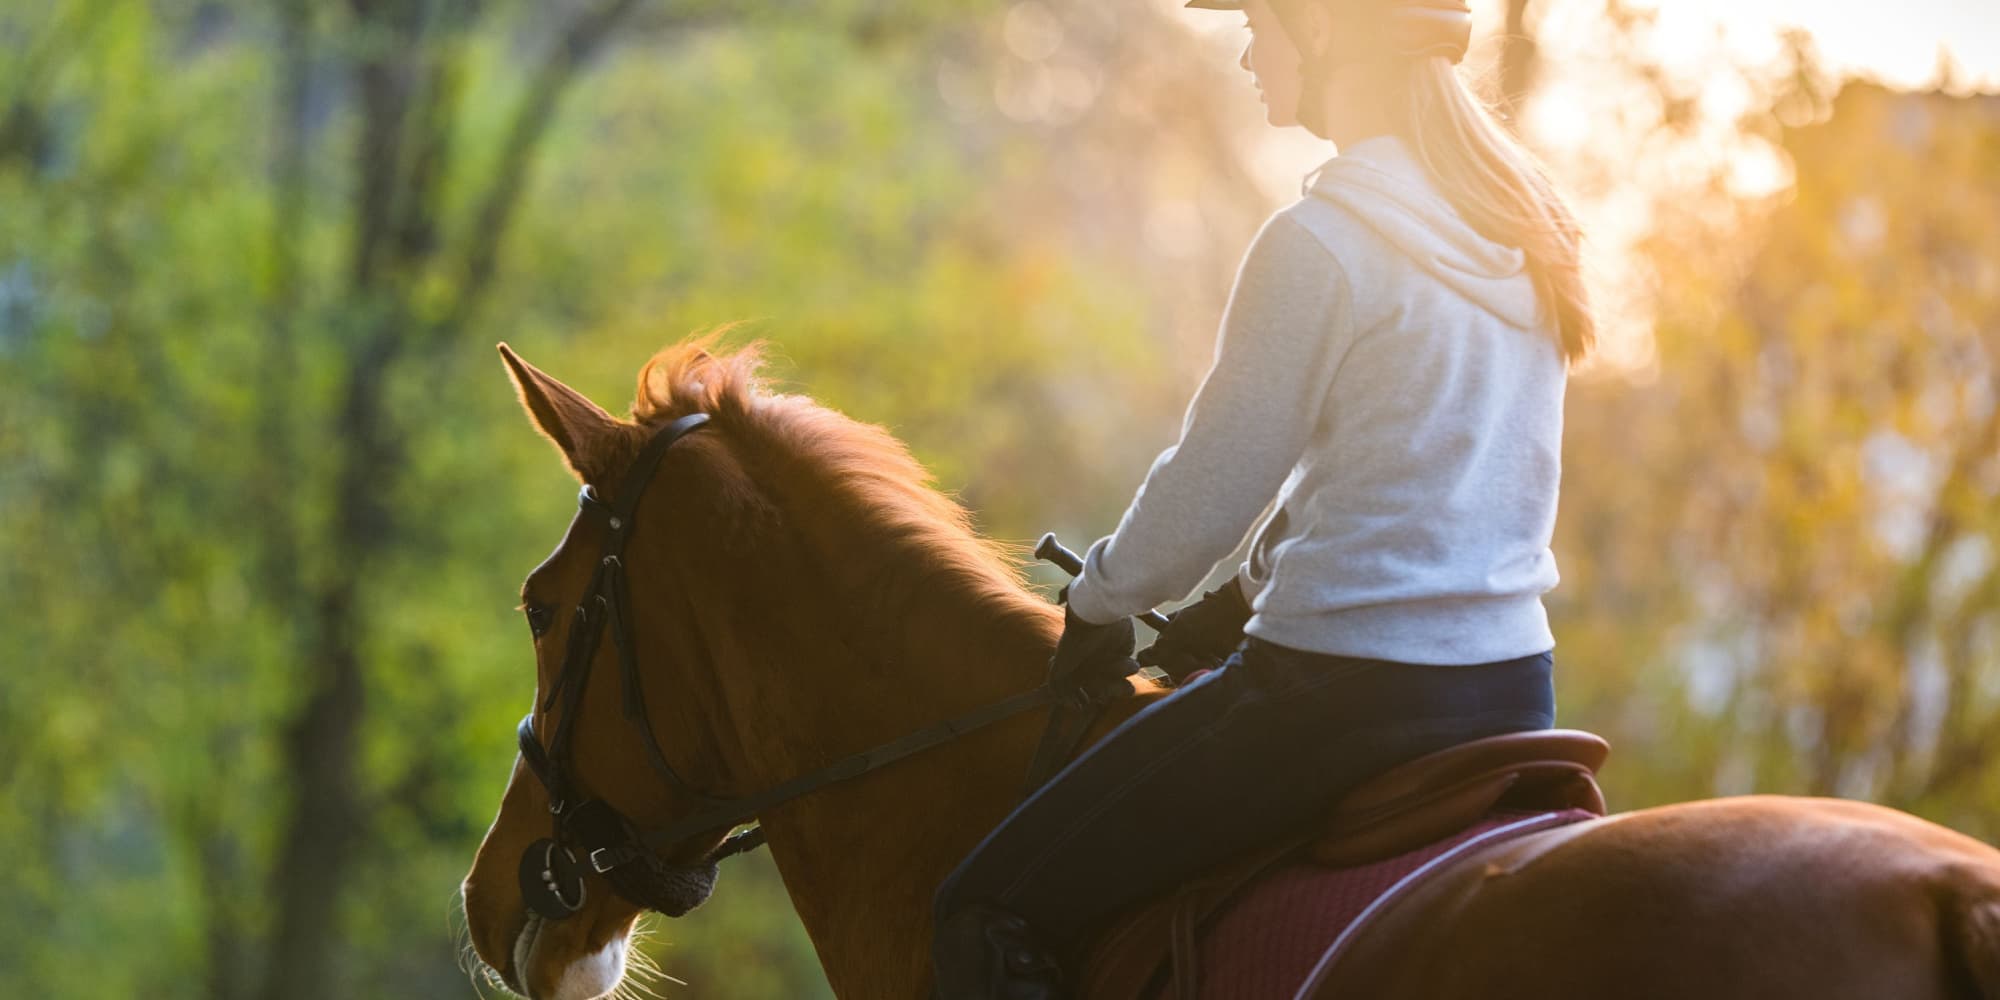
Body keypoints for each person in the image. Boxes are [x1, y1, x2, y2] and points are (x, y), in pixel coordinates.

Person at [930, 0, 1595, 994]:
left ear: (1325, 30)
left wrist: (1098, 599)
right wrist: (1234, 604)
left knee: (984, 908)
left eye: (1258, 19)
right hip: (1510, 684)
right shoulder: (1518, 232)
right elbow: (1392, 474)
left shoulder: (1320, 241)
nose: (1246, 48)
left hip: (1342, 696)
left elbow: (1211, 486)